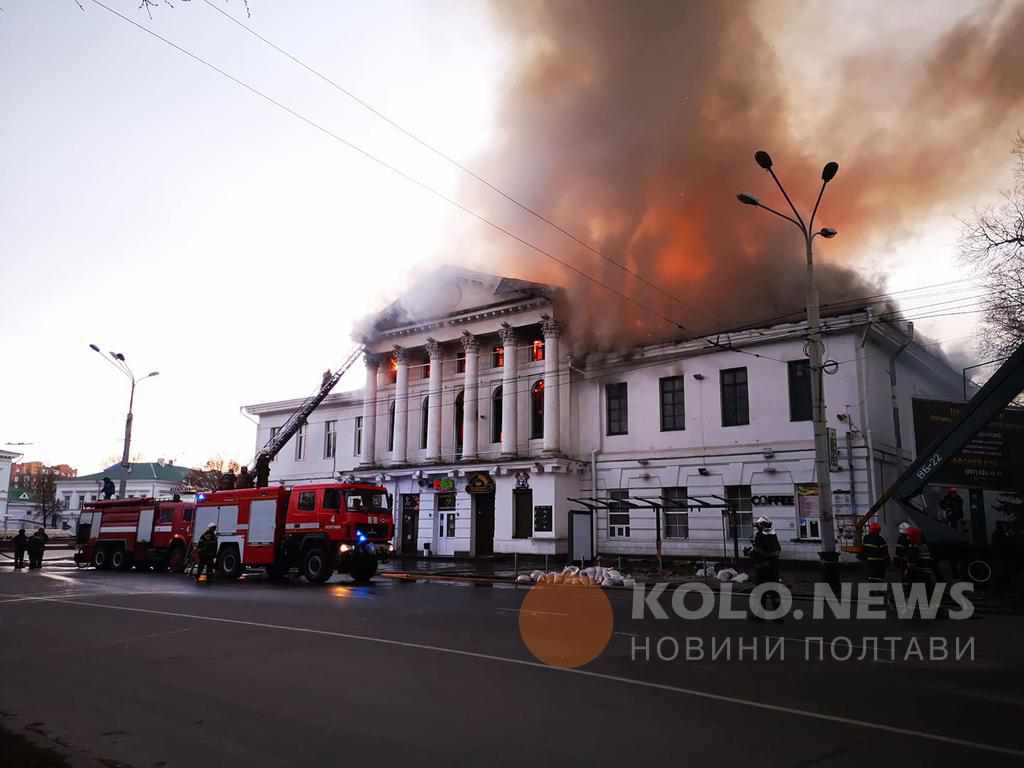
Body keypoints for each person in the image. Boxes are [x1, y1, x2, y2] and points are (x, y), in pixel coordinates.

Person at [746, 516, 782, 618]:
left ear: (761, 526)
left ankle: (759, 615)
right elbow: (777, 550)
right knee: (774, 591)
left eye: (758, 526)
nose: (756, 528)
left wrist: (750, 553)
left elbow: (758, 552)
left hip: (763, 568)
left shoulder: (759, 535)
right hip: (774, 568)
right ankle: (778, 615)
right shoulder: (773, 534)